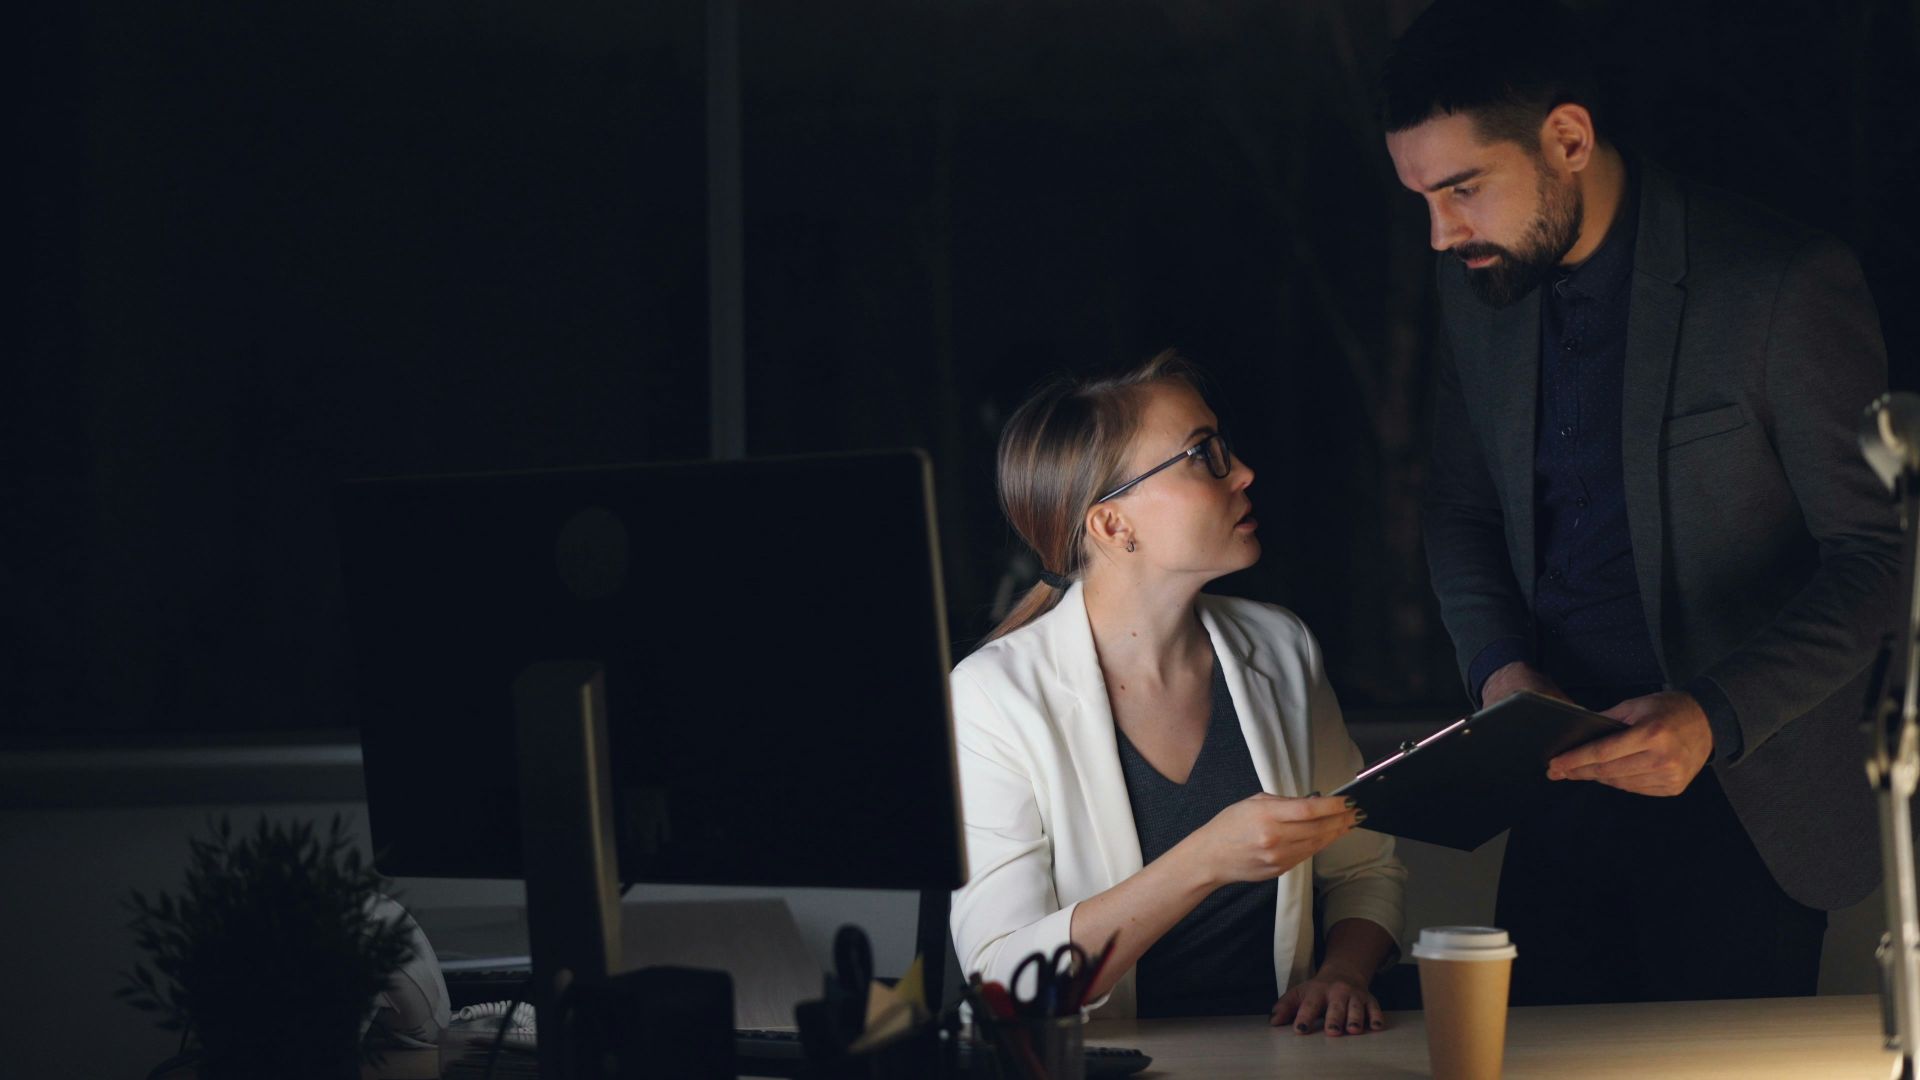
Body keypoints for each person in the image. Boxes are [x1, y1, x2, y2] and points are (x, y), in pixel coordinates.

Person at [1380, 0, 1900, 1004]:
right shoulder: (1476, 287)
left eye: (1463, 189)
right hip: (1552, 791)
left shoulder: (1781, 282)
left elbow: (1881, 556)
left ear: (1567, 138)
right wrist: (1498, 675)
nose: (1442, 234)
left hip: (1746, 799)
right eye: (1422, 199)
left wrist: (1713, 716)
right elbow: (1459, 510)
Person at [948, 352, 1406, 1033]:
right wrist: (1205, 859)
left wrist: (1342, 974)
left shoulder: (1283, 650)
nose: (1244, 472)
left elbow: (1365, 869)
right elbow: (1006, 984)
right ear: (1112, 525)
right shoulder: (992, 697)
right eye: (1203, 454)